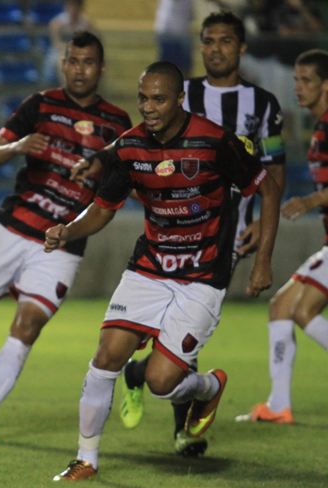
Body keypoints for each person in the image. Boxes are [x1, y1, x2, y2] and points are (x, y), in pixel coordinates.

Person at [44, 61, 280, 481]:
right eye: (142, 98)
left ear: (179, 100)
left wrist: (262, 260)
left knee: (160, 382)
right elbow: (102, 209)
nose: (148, 107)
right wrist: (68, 230)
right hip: (150, 268)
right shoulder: (129, 148)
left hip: (203, 276)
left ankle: (208, 388)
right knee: (106, 356)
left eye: (159, 99)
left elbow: (268, 186)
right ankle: (86, 459)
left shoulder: (215, 143)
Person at [0, 31, 132, 444]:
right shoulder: (40, 105)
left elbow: (122, 189)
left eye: (88, 62)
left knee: (28, 325)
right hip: (14, 228)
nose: (80, 69)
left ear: (102, 68)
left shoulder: (118, 126)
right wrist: (19, 146)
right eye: (73, 61)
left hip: (62, 243)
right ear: (64, 64)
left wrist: (102, 173)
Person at [117, 11, 287, 457]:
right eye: (208, 41)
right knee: (177, 336)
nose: (216, 49)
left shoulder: (264, 105)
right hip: (171, 233)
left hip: (227, 235)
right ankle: (182, 425)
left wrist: (262, 242)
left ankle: (146, 381)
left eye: (226, 41)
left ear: (241, 48)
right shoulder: (178, 92)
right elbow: (138, 145)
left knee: (183, 333)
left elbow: (273, 173)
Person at [236, 49, 328, 424]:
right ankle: (277, 405)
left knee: (303, 310)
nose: (298, 88)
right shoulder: (317, 130)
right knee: (282, 307)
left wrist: (313, 198)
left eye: (306, 80)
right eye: (295, 80)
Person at [44, 1, 95, 83]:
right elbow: (56, 43)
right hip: (60, 51)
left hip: (80, 51)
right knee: (63, 60)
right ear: (66, 7)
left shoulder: (86, 23)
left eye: (76, 6)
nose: (74, 9)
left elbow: (90, 41)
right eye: (71, 6)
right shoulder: (57, 23)